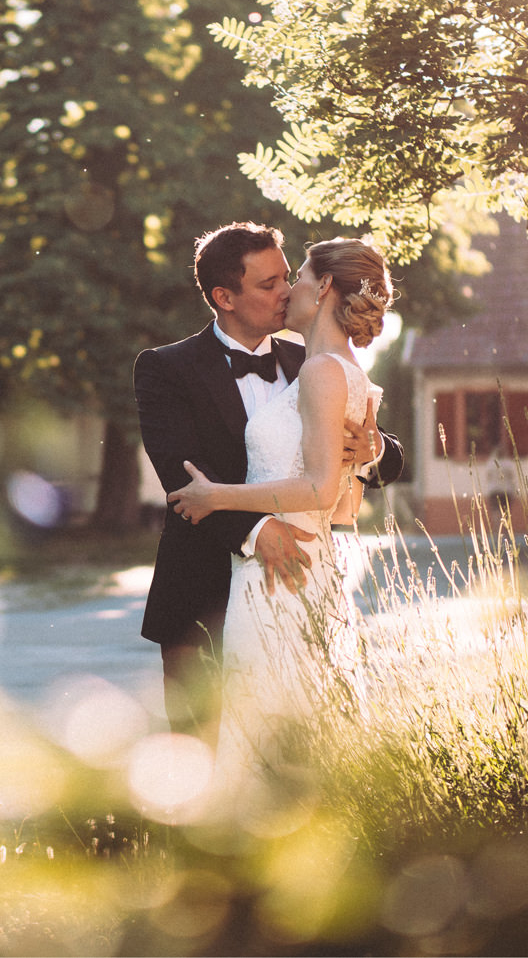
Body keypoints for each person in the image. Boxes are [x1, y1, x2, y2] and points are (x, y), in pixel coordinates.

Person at [133, 224, 402, 734]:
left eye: (286, 277)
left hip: (297, 586)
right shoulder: (166, 369)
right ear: (223, 297)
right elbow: (180, 476)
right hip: (202, 590)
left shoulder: (313, 360)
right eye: (267, 284)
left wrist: (374, 450)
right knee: (203, 750)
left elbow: (382, 451)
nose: (285, 292)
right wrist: (258, 531)